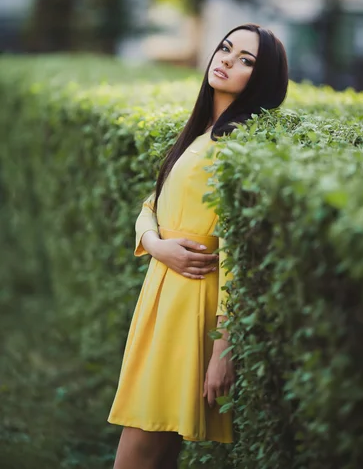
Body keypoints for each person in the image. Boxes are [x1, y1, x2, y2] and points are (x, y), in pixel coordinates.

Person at [108, 23, 289, 469]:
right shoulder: (199, 133)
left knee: (142, 447)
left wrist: (223, 348)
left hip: (192, 304)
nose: (227, 59)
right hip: (163, 293)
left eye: (246, 59)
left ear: (261, 79)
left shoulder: (236, 145)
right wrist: (156, 245)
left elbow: (236, 253)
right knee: (155, 446)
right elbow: (150, 205)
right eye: (226, 48)